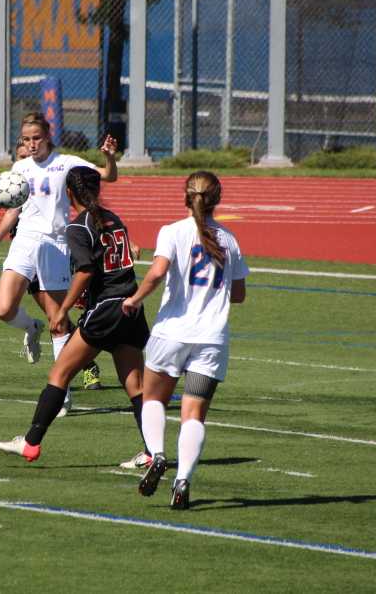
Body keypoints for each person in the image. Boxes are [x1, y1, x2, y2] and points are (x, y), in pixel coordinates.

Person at [0, 166, 149, 465]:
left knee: (59, 374)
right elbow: (109, 267)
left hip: (106, 311)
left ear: (68, 193)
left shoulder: (78, 227)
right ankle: (153, 451)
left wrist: (62, 309)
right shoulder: (113, 219)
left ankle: (30, 443)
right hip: (131, 308)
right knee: (136, 387)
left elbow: (86, 271)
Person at [0, 112, 118, 414]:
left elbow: (107, 176)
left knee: (59, 321)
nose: (32, 144)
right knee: (3, 309)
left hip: (55, 245)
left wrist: (109, 158)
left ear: (49, 136)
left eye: (36, 138)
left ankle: (61, 393)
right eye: (26, 139)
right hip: (24, 241)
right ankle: (30, 327)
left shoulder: (67, 163)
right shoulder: (20, 167)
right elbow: (13, 210)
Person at [120, 171, 249, 510]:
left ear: (185, 196)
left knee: (153, 400)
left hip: (172, 333)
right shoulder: (231, 240)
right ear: (217, 199)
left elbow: (158, 271)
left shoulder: (172, 232)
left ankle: (159, 456)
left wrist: (135, 298)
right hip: (212, 339)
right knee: (194, 414)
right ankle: (183, 479)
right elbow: (238, 295)